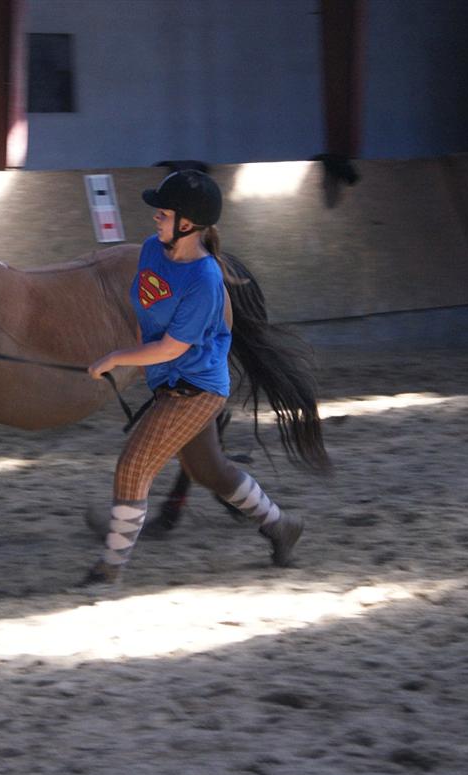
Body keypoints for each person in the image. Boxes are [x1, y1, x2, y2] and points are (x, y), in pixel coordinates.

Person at [83, 169, 303, 585]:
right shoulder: (151, 250)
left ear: (187, 225)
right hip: (168, 382)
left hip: (197, 390)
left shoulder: (204, 279)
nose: (155, 219)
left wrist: (118, 358)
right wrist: (134, 350)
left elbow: (171, 347)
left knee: (133, 465)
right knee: (211, 471)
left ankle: (109, 568)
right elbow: (146, 309)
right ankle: (280, 525)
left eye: (163, 213)